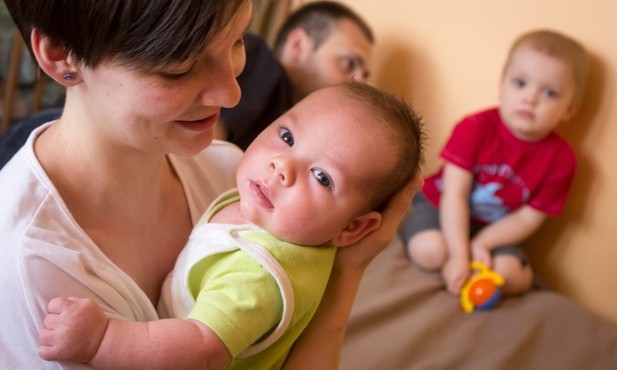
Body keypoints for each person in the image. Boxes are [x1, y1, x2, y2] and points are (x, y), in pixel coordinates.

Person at [0, 1, 420, 369]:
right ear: (60, 56)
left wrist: (348, 272)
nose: (232, 94)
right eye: (178, 69)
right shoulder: (33, 263)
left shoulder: (231, 175)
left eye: (238, 41)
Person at [400, 29, 589, 298]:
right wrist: (458, 255)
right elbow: (455, 194)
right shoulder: (474, 128)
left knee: (511, 277)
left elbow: (526, 219)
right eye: (521, 83)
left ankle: (483, 262)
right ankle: (419, 234)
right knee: (430, 252)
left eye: (549, 92)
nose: (530, 98)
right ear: (501, 86)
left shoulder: (562, 160)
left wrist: (480, 244)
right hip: (442, 205)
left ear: (570, 109)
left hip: (493, 228)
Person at [219, 1, 374, 150]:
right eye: (348, 64)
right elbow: (208, 148)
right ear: (298, 46)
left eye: (365, 76)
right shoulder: (259, 62)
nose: (359, 83)